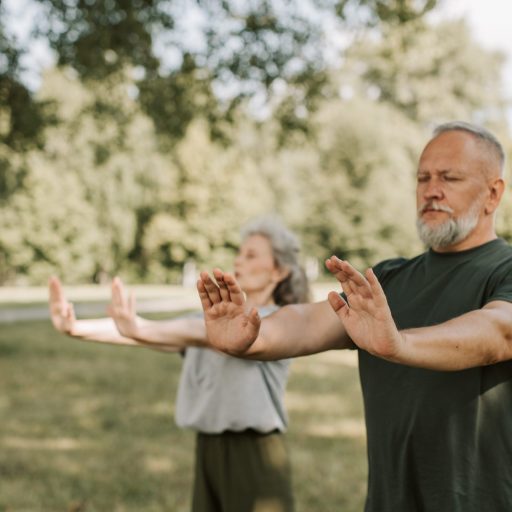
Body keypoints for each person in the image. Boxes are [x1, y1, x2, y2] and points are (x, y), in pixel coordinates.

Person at [197, 121, 512, 512]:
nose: (432, 190)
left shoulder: (505, 269)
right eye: (422, 178)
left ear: (493, 193)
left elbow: (499, 332)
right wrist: (253, 337)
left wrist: (400, 345)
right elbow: (311, 321)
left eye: (450, 177)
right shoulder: (390, 278)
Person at [49, 217, 310, 512]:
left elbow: (187, 333)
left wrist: (138, 328)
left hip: (255, 453)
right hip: (208, 448)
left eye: (251, 255)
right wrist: (75, 328)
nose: (239, 260)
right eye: (239, 252)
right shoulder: (212, 320)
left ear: (279, 271)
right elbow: (160, 333)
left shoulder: (278, 322)